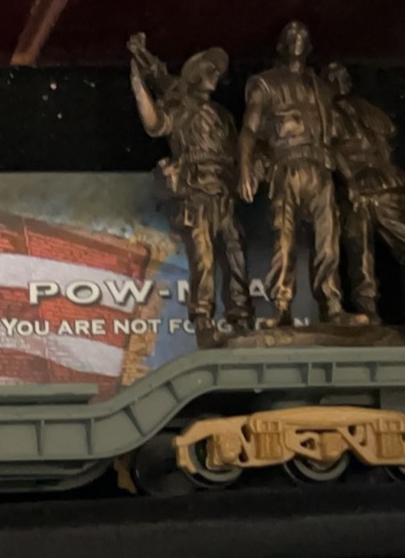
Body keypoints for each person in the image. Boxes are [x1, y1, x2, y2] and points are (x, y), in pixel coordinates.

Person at [237, 21, 365, 328]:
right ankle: (281, 306)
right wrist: (244, 168)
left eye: (303, 36)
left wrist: (350, 181)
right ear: (281, 45)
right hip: (287, 166)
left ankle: (332, 305)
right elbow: (249, 131)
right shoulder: (265, 83)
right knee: (284, 238)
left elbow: (334, 140)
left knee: (328, 240)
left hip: (320, 168)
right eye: (291, 35)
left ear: (309, 46)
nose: (298, 39)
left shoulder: (321, 88)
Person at [128, 34, 253, 337]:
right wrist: (139, 82)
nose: (215, 75)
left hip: (223, 191)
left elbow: (238, 154)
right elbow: (155, 123)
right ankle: (203, 320)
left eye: (218, 71)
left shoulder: (223, 116)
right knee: (204, 259)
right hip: (196, 192)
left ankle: (241, 318)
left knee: (235, 255)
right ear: (195, 74)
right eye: (210, 69)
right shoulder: (182, 107)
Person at [324, 62, 405, 328]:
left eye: (344, 75)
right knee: (361, 259)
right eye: (334, 76)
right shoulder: (326, 116)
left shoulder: (368, 114)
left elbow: (388, 161)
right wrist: (349, 183)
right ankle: (368, 313)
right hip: (354, 195)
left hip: (387, 191)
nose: (341, 80)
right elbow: (330, 152)